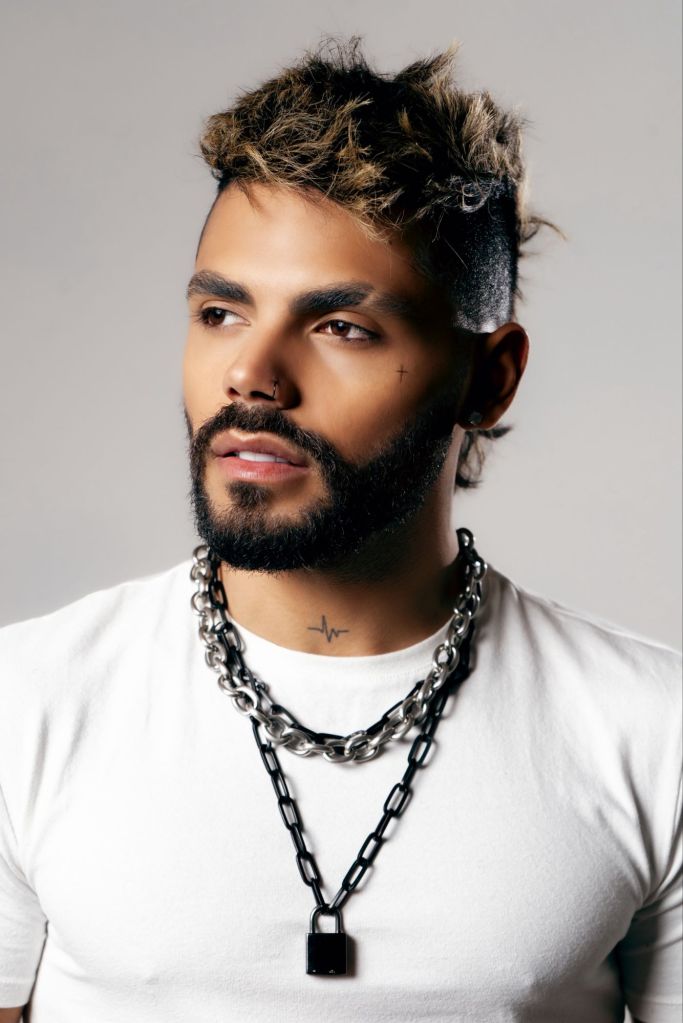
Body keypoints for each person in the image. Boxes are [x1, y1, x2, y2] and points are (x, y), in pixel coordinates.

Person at [0, 37, 680, 1023]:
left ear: (488, 378)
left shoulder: (653, 734)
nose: (252, 376)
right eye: (221, 312)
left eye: (341, 327)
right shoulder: (25, 702)